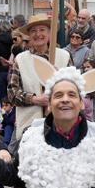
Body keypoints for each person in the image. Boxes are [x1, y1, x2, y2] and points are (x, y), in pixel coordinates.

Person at [8, 13, 71, 142]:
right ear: (29, 35)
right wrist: (35, 99)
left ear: (49, 33)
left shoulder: (64, 56)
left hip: (61, 125)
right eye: (33, 31)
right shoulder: (21, 59)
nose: (38, 34)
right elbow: (12, 93)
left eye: (42, 30)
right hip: (29, 126)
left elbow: (76, 90)